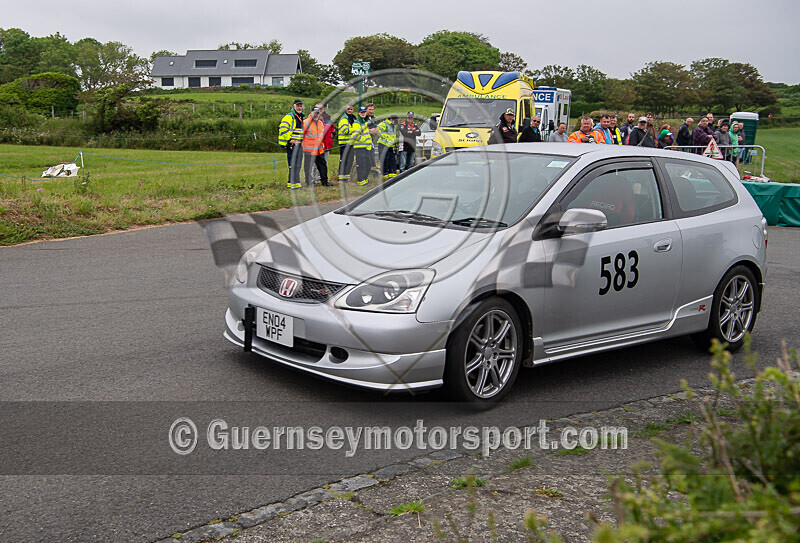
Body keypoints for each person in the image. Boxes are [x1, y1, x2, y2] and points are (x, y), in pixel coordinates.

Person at [278, 99, 305, 189]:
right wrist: (290, 140)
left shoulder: (300, 117)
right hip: (292, 145)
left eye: (301, 106)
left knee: (297, 165)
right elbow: (283, 129)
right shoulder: (289, 117)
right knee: (293, 164)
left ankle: (292, 183)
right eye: (298, 106)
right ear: (294, 106)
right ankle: (295, 185)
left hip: (299, 144)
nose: (299, 107)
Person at [301, 107, 330, 187]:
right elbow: (301, 136)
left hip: (319, 150)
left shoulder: (320, 123)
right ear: (311, 112)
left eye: (318, 113)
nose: (316, 114)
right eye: (315, 112)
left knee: (322, 166)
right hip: (309, 150)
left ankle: (325, 181)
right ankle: (308, 182)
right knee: (308, 167)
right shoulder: (306, 122)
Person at [351, 106, 373, 186]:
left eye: (364, 112)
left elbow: (367, 134)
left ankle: (365, 180)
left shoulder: (364, 122)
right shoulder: (357, 123)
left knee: (368, 165)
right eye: (361, 112)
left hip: (366, 147)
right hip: (360, 147)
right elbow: (355, 135)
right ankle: (361, 181)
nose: (363, 114)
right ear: (358, 113)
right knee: (361, 165)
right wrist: (364, 140)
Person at [337, 104, 356, 182]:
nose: (350, 110)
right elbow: (346, 131)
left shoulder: (354, 119)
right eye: (348, 109)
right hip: (344, 143)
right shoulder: (343, 119)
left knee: (350, 161)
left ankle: (346, 177)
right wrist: (355, 130)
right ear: (345, 110)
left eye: (351, 109)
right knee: (343, 160)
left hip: (351, 144)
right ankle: (341, 178)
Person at [377, 114, 398, 180]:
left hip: (390, 146)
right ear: (391, 119)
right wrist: (385, 137)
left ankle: (392, 176)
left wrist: (395, 144)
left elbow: (393, 136)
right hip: (383, 145)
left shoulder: (393, 126)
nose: (396, 123)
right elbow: (377, 130)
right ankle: (384, 176)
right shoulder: (384, 124)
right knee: (384, 161)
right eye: (395, 121)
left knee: (392, 161)